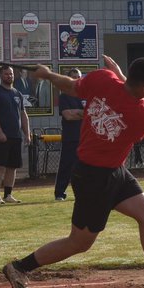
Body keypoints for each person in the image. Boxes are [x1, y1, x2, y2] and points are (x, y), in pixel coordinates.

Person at [1, 56, 144, 288]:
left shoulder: (104, 78)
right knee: (80, 242)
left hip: (113, 171)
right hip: (93, 177)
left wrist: (49, 75)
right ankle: (19, 267)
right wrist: (121, 78)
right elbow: (129, 99)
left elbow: (73, 86)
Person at [0, 64, 30, 205]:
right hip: (2, 136)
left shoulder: (17, 93)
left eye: (11, 74)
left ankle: (8, 194)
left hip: (16, 136)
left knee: (12, 167)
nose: (9, 76)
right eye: (6, 74)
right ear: (0, 75)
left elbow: (23, 115)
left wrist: (27, 134)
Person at [54, 69, 84, 201]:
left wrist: (77, 112)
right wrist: (84, 113)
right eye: (73, 77)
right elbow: (68, 115)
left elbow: (93, 113)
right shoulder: (64, 96)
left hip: (85, 138)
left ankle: (84, 192)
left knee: (85, 168)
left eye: (78, 77)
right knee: (66, 165)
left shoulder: (86, 95)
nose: (76, 79)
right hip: (71, 137)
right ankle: (59, 193)